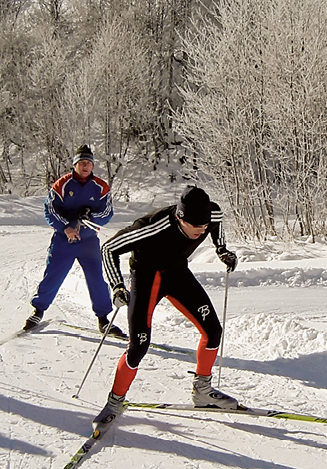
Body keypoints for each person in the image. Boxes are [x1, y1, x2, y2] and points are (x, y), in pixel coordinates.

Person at [93, 185, 239, 427]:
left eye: (204, 225)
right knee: (139, 344)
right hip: (147, 277)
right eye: (196, 226)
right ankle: (115, 401)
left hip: (178, 273)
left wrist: (222, 250)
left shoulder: (210, 216)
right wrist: (117, 285)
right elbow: (108, 249)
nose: (202, 230)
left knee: (213, 331)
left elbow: (216, 224)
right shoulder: (151, 227)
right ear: (181, 218)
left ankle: (202, 390)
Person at [22, 144, 126, 339]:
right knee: (52, 276)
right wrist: (66, 227)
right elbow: (49, 210)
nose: (85, 166)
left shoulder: (101, 187)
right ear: (75, 165)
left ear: (93, 166)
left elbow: (107, 213)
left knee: (96, 279)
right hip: (64, 240)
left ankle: (103, 319)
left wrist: (90, 218)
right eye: (81, 163)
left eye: (89, 163)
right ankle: (38, 311)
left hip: (88, 242)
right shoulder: (62, 184)